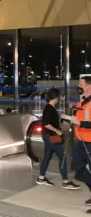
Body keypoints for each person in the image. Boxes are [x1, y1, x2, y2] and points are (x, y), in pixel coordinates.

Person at [36, 88, 80, 189]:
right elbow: (46, 123)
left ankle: (41, 178)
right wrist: (57, 131)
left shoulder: (50, 107)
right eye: (59, 96)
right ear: (55, 97)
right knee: (63, 158)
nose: (60, 98)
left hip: (49, 137)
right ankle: (66, 182)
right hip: (52, 137)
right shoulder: (49, 108)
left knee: (47, 157)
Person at [71, 76, 91, 214]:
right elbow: (83, 112)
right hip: (81, 140)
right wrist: (74, 108)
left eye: (81, 83)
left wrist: (80, 123)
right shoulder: (85, 100)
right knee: (78, 168)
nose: (79, 85)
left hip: (90, 142)